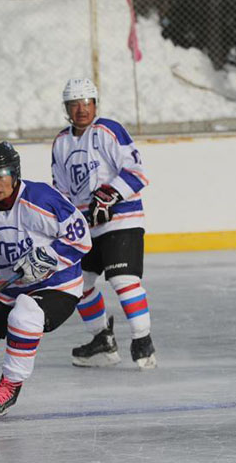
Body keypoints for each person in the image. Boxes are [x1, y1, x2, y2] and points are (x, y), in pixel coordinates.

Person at [0, 142, 92, 420]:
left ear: (15, 173)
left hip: (56, 287)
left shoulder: (42, 198)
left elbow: (81, 239)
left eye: (1, 174)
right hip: (7, 290)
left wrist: (49, 257)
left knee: (25, 314)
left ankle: (10, 384)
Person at [51, 78, 157, 369]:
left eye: (86, 103)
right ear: (67, 108)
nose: (81, 109)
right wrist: (63, 220)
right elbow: (60, 189)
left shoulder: (108, 130)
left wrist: (110, 194)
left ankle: (142, 340)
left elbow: (137, 172)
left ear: (95, 104)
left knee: (122, 280)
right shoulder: (61, 142)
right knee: (76, 284)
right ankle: (102, 340)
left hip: (121, 220)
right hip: (85, 228)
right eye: (74, 104)